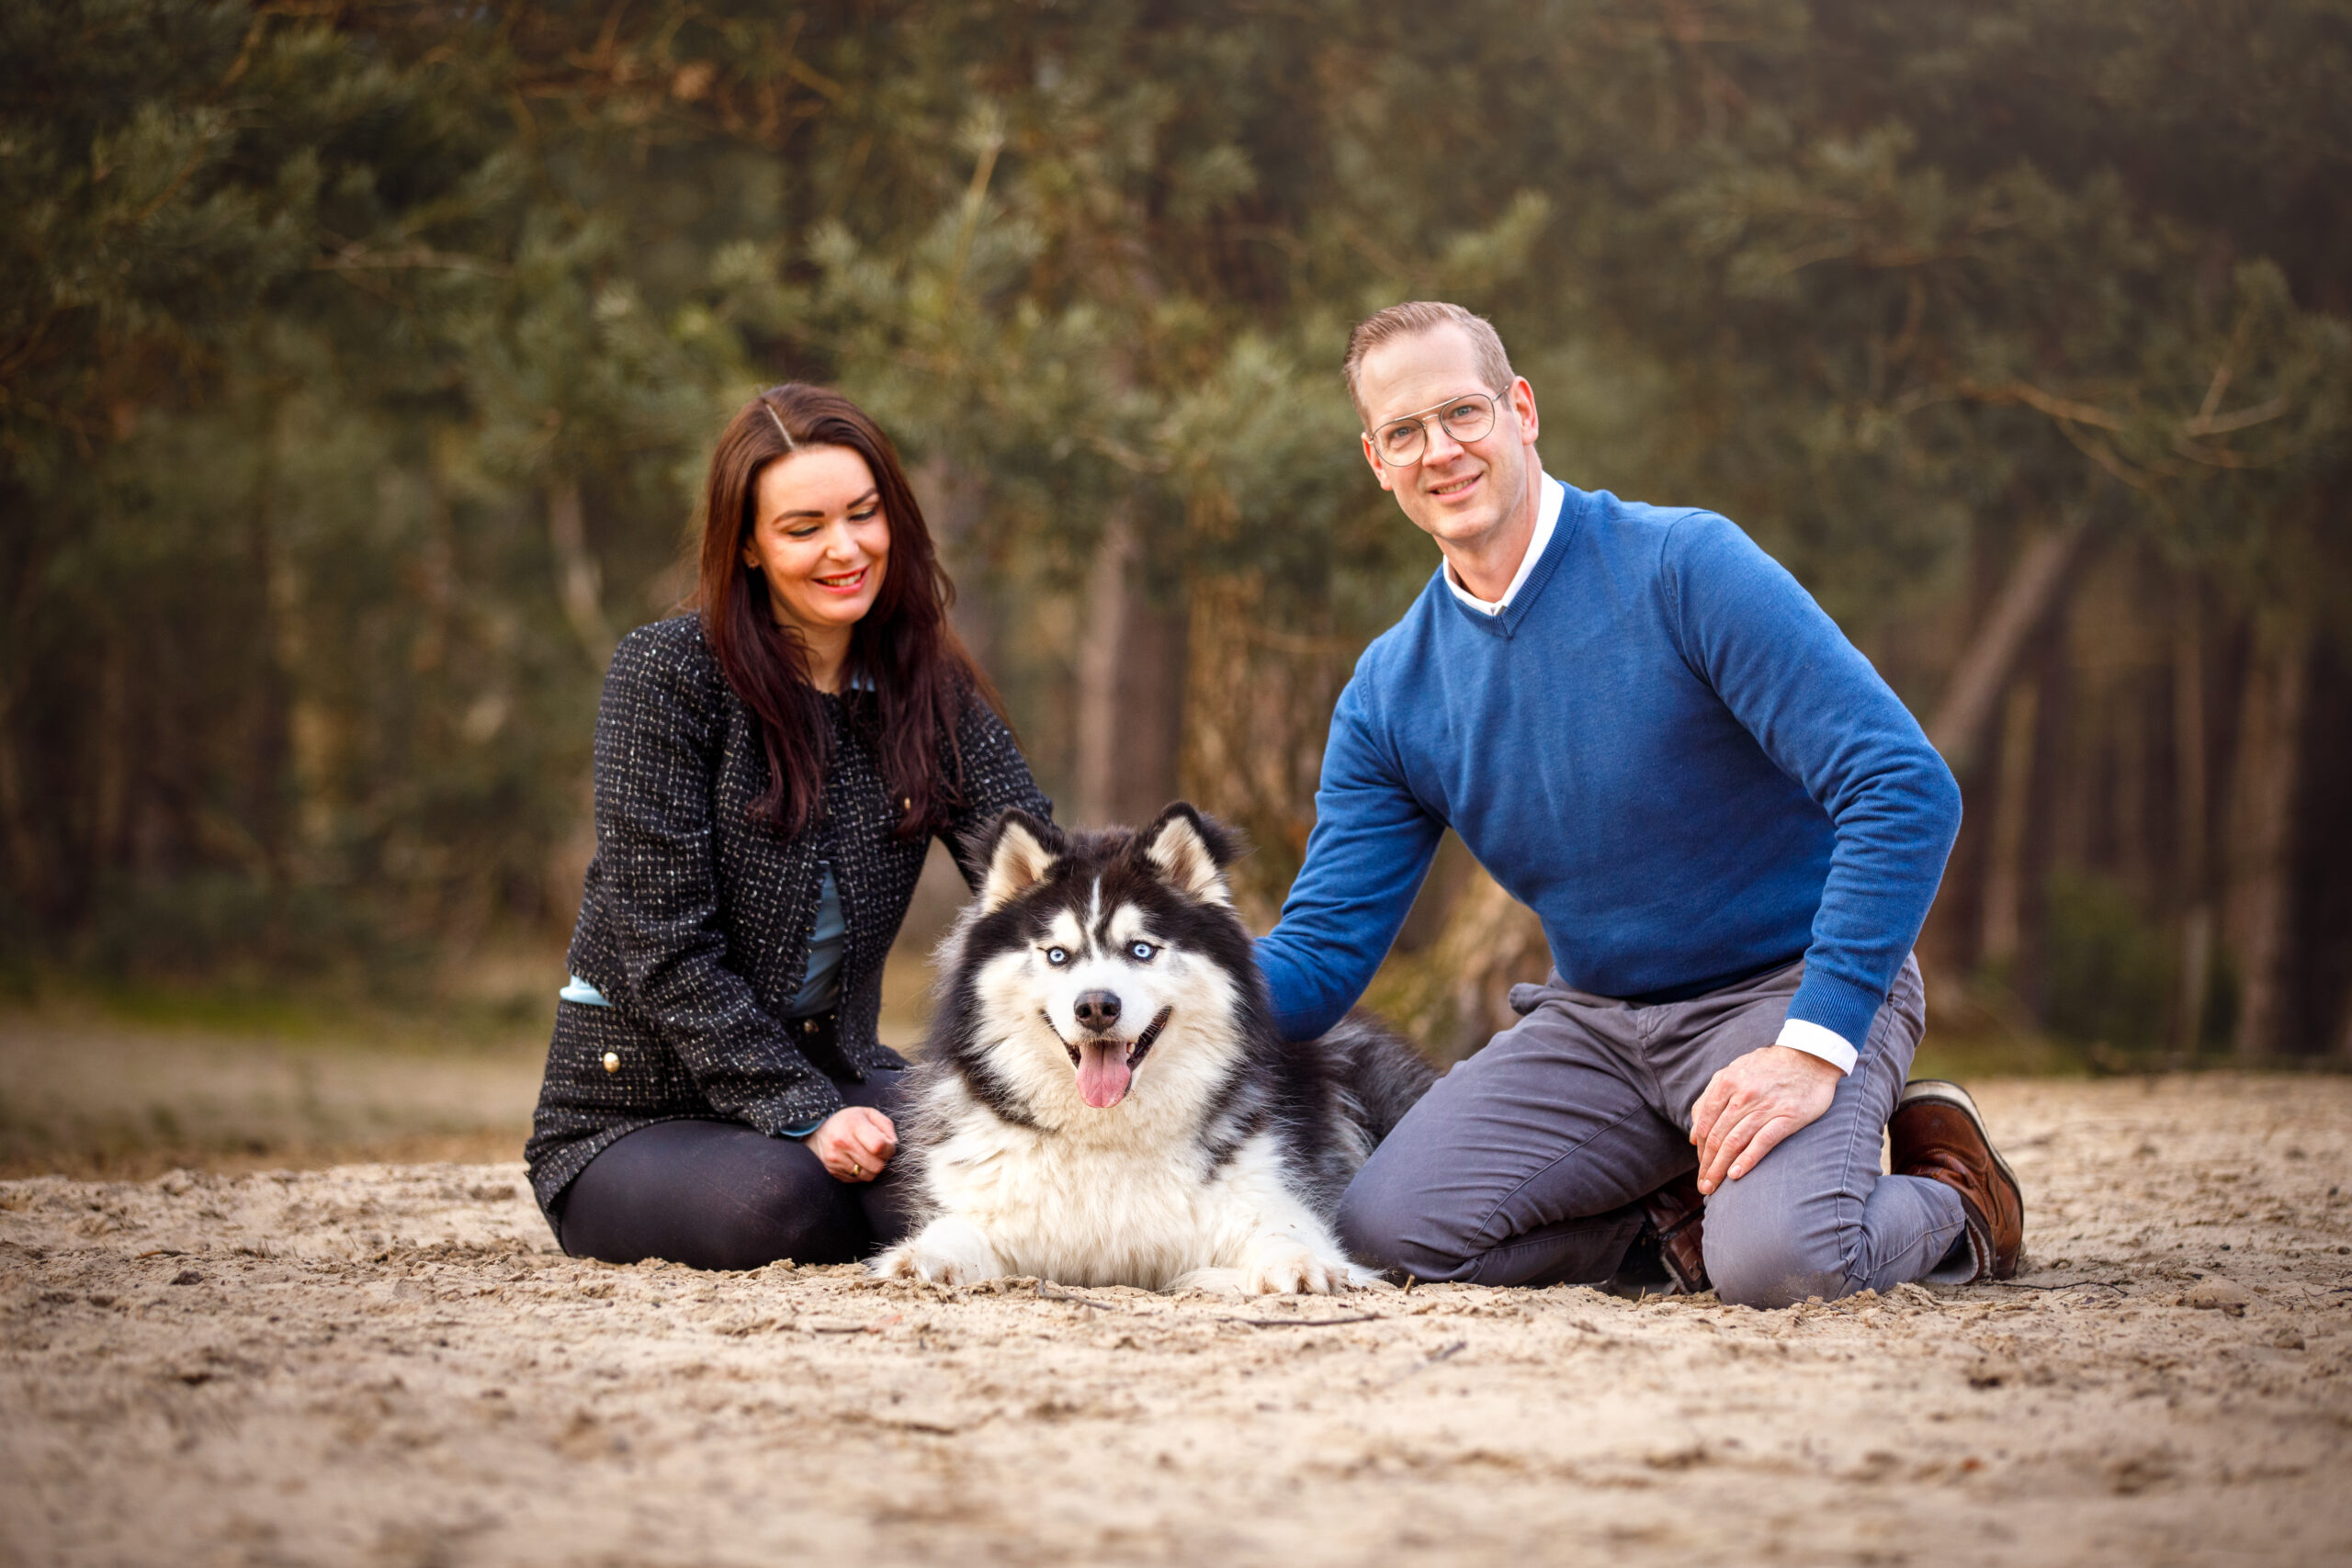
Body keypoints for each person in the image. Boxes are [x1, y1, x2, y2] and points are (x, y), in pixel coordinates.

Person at [1254, 302, 2023, 1308]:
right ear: (1376, 461)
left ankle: (1958, 1199)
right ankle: (1672, 1222)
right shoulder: (1390, 692)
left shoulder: (1684, 567)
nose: (1439, 451)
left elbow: (1903, 786)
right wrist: (1138, 1000)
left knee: (1785, 1263)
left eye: (1462, 413)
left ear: (1522, 410)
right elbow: (1318, 955)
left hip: (1786, 990)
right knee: (1384, 1232)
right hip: (1597, 1029)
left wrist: (1812, 1044)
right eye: (1404, 432)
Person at [525, 383, 1051, 1271]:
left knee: (1013, 1169)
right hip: (637, 1111)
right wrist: (803, 1112)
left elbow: (1035, 876)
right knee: (783, 1203)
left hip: (838, 1071)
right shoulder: (665, 675)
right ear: (748, 545)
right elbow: (666, 948)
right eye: (804, 527)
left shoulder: (928, 688)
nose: (845, 548)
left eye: (863, 515)